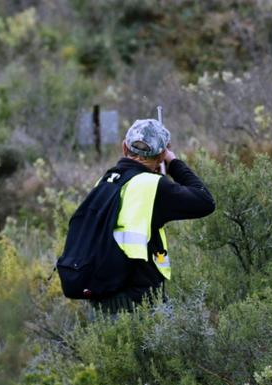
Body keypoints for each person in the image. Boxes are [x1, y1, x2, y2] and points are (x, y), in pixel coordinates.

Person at [90, 118, 216, 314]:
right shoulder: (154, 186)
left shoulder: (105, 181)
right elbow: (205, 201)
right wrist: (173, 162)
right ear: (161, 155)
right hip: (141, 304)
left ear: (124, 148)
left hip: (101, 300)